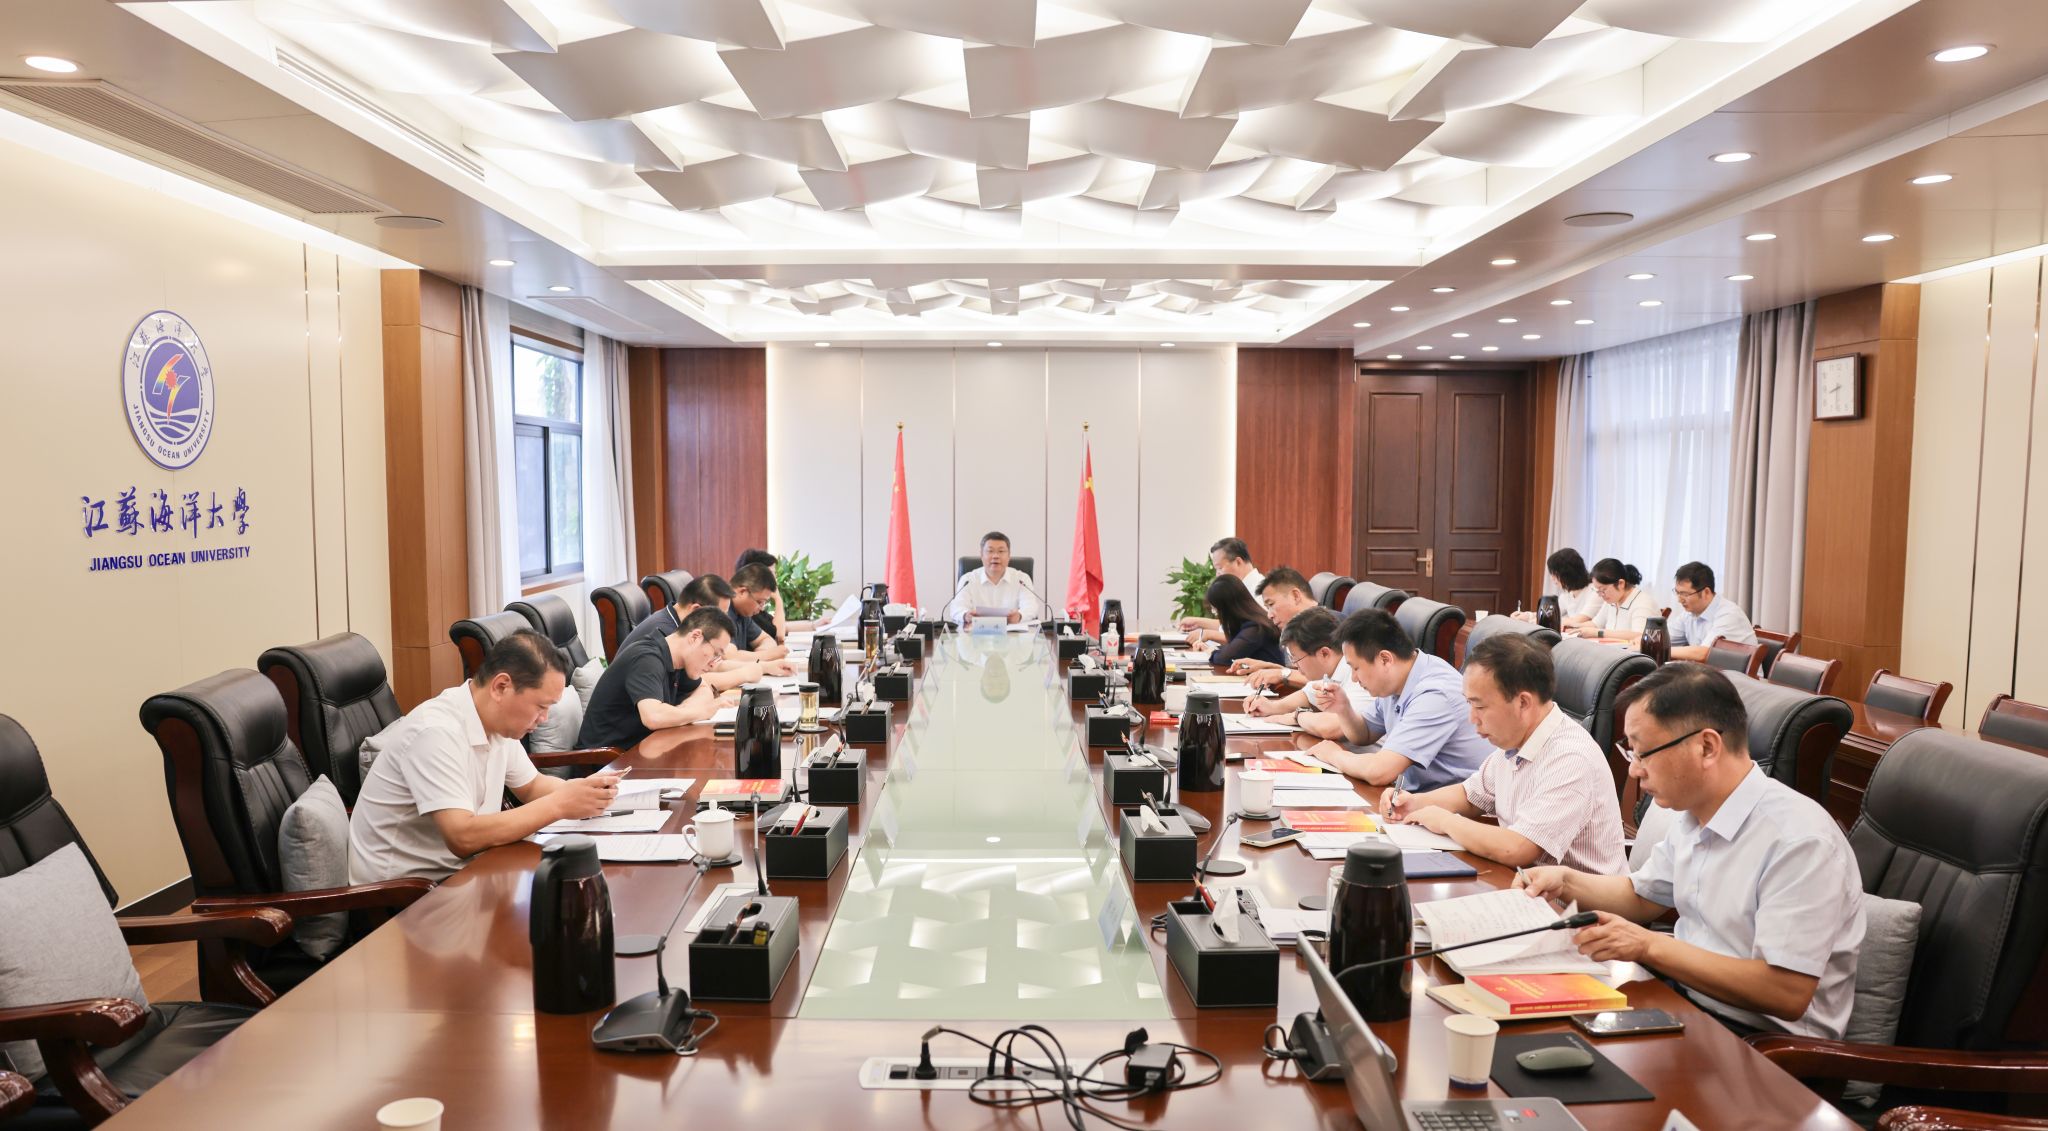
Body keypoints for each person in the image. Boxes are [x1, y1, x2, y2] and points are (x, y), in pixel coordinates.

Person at [1517, 663, 1865, 1040]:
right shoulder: (1695, 812)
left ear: (1707, 746)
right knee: (1535, 1021)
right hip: (1686, 1002)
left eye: (1643, 753)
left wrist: (1647, 945)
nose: (1634, 771)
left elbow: (1784, 991)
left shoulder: (1799, 840)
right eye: (1630, 752)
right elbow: (1642, 897)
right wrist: (1564, 880)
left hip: (1764, 1043)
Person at [349, 631, 624, 883]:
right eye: (541, 706)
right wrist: (560, 804)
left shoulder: (497, 723)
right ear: (501, 686)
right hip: (407, 892)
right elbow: (462, 837)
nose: (544, 718)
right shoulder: (435, 732)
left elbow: (532, 786)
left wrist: (586, 792)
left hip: (467, 871)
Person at [1380, 634, 1624, 873]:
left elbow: (1517, 848)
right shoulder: (1515, 739)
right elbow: (1471, 795)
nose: (1472, 718)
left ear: (1523, 703)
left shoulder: (1570, 758)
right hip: (1521, 882)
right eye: (1469, 704)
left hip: (1573, 898)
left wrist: (1445, 821)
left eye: (1480, 706)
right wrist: (1414, 803)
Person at [1300, 610, 1494, 791]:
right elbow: (1364, 733)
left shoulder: (1435, 694)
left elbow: (1379, 772)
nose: (1354, 678)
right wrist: (1343, 709)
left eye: (1356, 668)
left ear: (1385, 659)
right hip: (1417, 798)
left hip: (1456, 807)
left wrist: (1334, 754)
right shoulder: (1398, 679)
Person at [578, 607, 737, 752]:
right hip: (607, 760)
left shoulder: (679, 659)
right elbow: (653, 717)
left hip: (645, 750)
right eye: (716, 653)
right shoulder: (646, 658)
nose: (713, 663)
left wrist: (682, 711)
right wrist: (702, 711)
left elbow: (703, 690)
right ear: (695, 637)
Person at [1241, 607, 1370, 739]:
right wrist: (1271, 707)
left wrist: (1297, 716)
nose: (1295, 665)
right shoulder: (1330, 670)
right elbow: (1307, 695)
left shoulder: (1359, 674)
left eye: (1296, 658)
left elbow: (1331, 728)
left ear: (1324, 653)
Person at [1665, 562, 1758, 663]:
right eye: (1677, 593)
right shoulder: (1689, 613)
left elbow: (1704, 653)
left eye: (1685, 594)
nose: (1679, 600)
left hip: (1736, 672)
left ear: (1706, 592)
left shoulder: (1729, 614)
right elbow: (1664, 638)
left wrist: (1662, 650)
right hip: (1708, 670)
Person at [946, 531, 1041, 625]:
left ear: (1009, 555)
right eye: (990, 551)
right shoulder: (968, 580)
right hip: (977, 632)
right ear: (981, 555)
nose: (995, 556)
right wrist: (965, 615)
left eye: (1001, 551)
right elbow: (956, 608)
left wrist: (1019, 616)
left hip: (1013, 632)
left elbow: (1031, 607)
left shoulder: (1022, 579)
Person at [1179, 537, 1263, 642]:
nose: (1217, 575)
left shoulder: (1260, 590)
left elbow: (1251, 636)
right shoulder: (1239, 588)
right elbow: (1230, 626)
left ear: (1238, 562)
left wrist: (1207, 634)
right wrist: (1198, 622)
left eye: (1219, 568)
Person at [1200, 574, 1284, 667]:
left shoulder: (1256, 627)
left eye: (1216, 609)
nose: (1216, 614)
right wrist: (1212, 650)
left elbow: (1226, 658)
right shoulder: (1248, 622)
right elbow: (1234, 648)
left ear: (1227, 608)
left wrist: (1211, 652)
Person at [1569, 558, 1661, 643]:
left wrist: (1599, 633)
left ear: (1621, 583)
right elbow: (1596, 624)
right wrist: (1574, 627)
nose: (1601, 595)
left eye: (1603, 590)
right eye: (1598, 591)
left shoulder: (1643, 603)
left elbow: (1640, 635)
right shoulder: (1612, 600)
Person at [1514, 548, 1604, 627]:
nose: (1552, 578)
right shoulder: (1567, 594)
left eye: (1555, 574)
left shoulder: (1595, 591)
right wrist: (1527, 616)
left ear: (1568, 573)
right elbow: (1550, 613)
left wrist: (1538, 620)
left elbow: (1578, 620)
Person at [727, 562, 790, 661]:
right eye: (760, 602)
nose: (761, 608)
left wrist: (758, 656)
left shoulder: (743, 613)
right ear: (742, 592)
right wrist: (769, 655)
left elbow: (767, 640)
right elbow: (730, 657)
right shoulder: (722, 609)